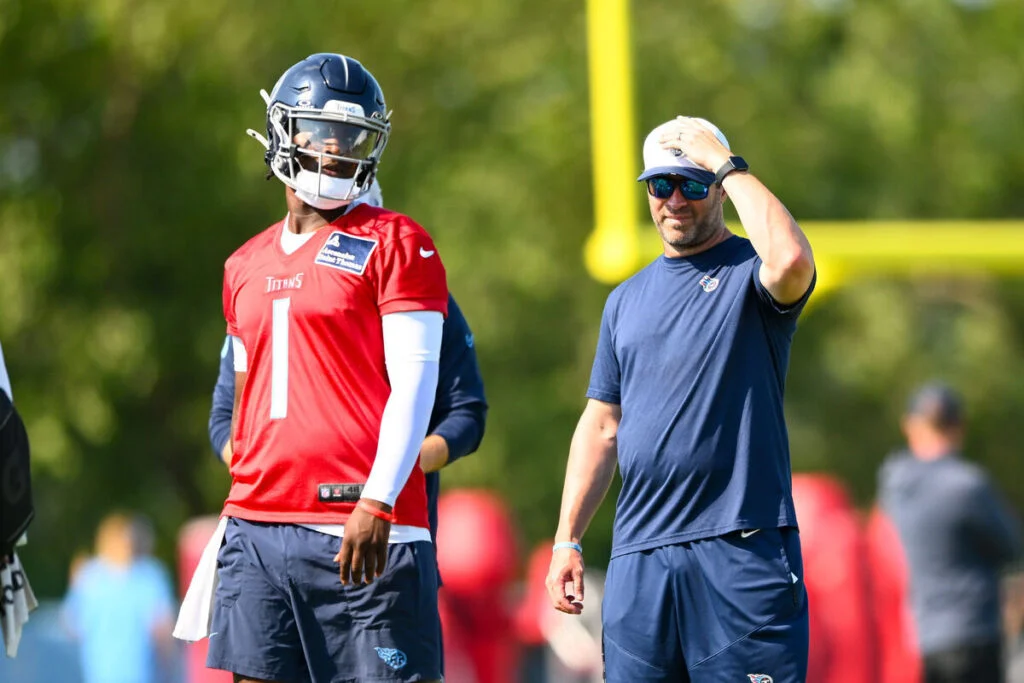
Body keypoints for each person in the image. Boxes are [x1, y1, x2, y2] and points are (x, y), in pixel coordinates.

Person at [193, 52, 453, 683]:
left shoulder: (397, 240)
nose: (337, 150)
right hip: (256, 526)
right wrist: (253, 477)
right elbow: (241, 394)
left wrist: (378, 499)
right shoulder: (243, 264)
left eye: (353, 136)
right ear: (283, 131)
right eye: (323, 131)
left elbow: (417, 388)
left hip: (361, 522)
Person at [546, 116, 816, 682]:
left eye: (692, 185)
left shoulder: (751, 273)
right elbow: (601, 426)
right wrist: (567, 538)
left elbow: (792, 261)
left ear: (717, 188)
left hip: (738, 547)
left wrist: (726, 162)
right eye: (660, 185)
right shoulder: (624, 300)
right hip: (640, 558)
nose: (675, 200)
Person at [207, 179, 488, 546]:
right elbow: (225, 420)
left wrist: (390, 467)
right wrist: (274, 474)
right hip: (268, 527)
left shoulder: (418, 292)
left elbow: (465, 412)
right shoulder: (262, 281)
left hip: (386, 528)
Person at [878, 382, 1022, 683]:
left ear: (910, 426)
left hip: (916, 637)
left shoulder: (894, 485)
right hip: (971, 632)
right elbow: (1012, 547)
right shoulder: (967, 484)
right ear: (958, 427)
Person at [62, 512, 177, 683]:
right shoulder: (150, 576)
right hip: (141, 674)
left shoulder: (89, 576)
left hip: (98, 675)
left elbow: (71, 625)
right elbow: (163, 631)